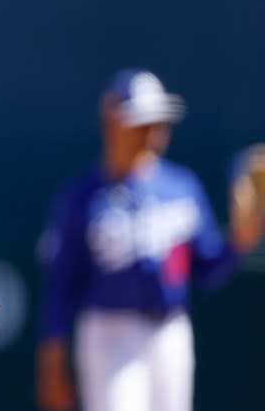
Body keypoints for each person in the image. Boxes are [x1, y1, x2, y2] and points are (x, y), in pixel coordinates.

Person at [35, 68, 265, 411]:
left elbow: (207, 270)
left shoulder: (182, 187)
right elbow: (60, 288)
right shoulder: (81, 198)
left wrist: (239, 241)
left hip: (170, 331)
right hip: (109, 331)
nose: (152, 131)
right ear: (111, 121)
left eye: (159, 121)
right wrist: (52, 365)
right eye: (141, 121)